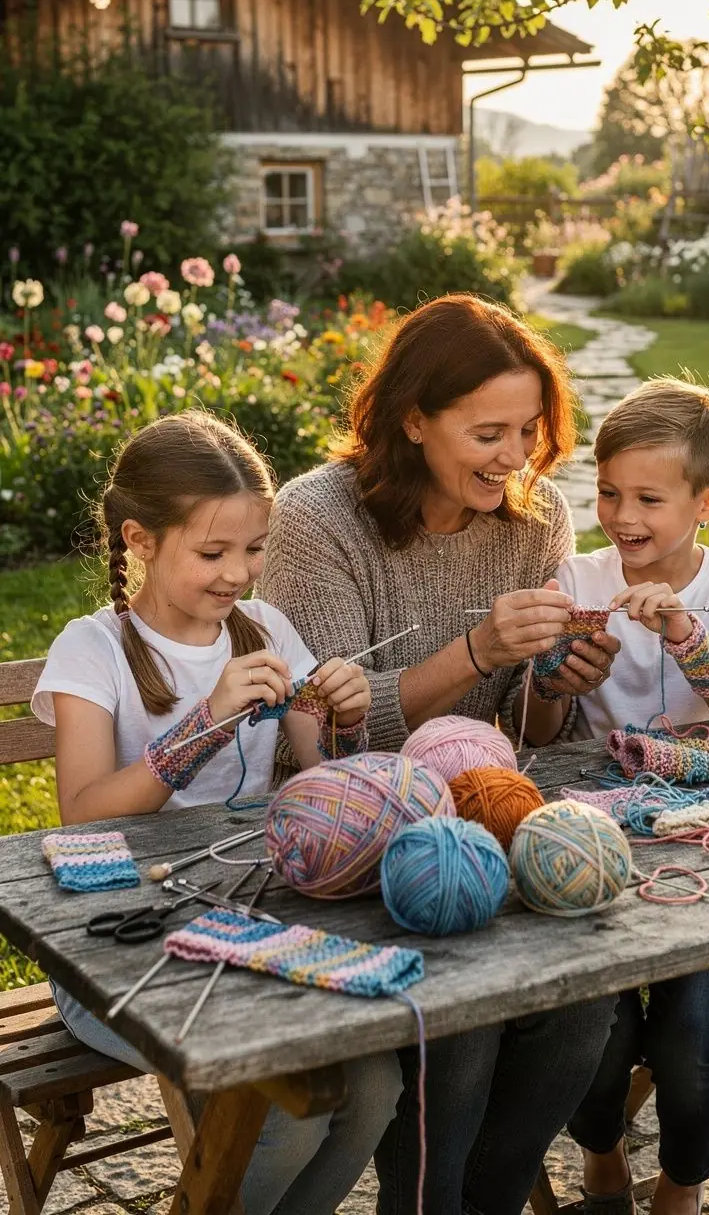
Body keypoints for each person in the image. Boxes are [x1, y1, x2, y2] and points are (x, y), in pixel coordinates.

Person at [261, 293, 620, 1215]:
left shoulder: (533, 526)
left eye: (530, 431)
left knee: (583, 998)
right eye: (489, 432)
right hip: (353, 849)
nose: (515, 459)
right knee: (461, 1021)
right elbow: (335, 744)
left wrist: (558, 681)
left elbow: (527, 735)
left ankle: (488, 1199)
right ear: (414, 419)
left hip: (477, 833)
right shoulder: (318, 520)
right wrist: (477, 653)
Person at [32, 410, 401, 1215]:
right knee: (285, 1112)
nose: (240, 571)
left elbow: (326, 777)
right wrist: (202, 725)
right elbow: (81, 817)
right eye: (213, 552)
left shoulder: (264, 629)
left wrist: (344, 715)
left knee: (374, 1084)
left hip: (251, 921)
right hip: (115, 951)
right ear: (140, 538)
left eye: (254, 547)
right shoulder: (92, 650)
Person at [535, 376, 709, 1215]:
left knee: (686, 1038)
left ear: (707, 501)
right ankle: (603, 1153)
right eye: (608, 492)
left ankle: (681, 1184)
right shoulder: (577, 572)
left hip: (706, 845)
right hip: (596, 841)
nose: (622, 515)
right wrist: (563, 674)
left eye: (647, 497)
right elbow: (541, 729)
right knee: (594, 1035)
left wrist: (686, 632)